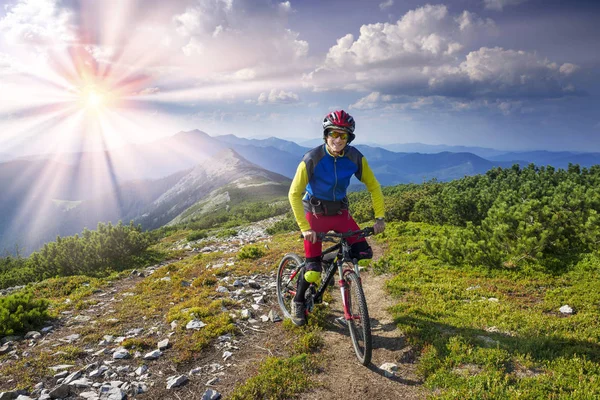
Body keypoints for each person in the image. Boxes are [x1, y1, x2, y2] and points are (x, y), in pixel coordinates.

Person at [288, 110, 386, 326]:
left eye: (343, 135)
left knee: (363, 253)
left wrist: (380, 218)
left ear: (349, 138)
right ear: (326, 135)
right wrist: (305, 227)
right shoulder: (312, 159)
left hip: (340, 213)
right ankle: (297, 301)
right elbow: (294, 194)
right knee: (312, 273)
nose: (338, 140)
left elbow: (374, 186)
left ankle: (327, 263)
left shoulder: (355, 158)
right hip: (315, 214)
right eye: (333, 133)